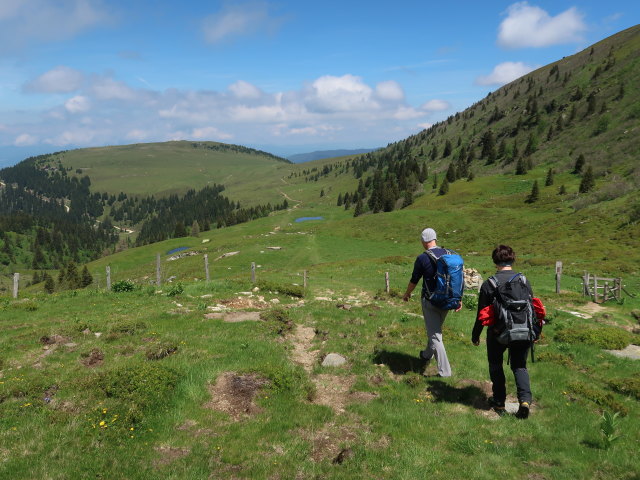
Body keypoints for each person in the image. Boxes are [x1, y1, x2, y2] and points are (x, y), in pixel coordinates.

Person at [471, 244, 534, 419]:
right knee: (520, 366)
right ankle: (525, 401)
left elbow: (481, 315)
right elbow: (532, 308)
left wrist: (475, 335)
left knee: (496, 365)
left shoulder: (489, 284)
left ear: (495, 261)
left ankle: (499, 403)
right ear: (512, 259)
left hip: (498, 333)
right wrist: (534, 332)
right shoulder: (523, 281)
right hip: (523, 331)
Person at [402, 227, 461, 377]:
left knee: (435, 335)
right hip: (448, 300)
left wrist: (407, 293)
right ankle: (427, 355)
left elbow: (414, 279)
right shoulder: (449, 254)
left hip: (430, 301)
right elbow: (457, 279)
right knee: (434, 328)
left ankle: (445, 372)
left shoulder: (423, 258)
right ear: (435, 239)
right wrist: (458, 299)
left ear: (423, 241)